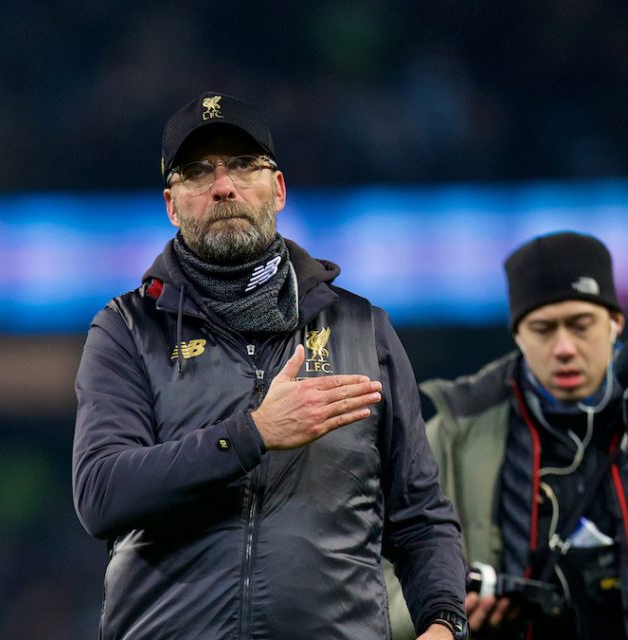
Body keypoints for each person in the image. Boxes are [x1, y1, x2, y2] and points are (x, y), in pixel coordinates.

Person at [72, 91, 468, 640]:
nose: (223, 185)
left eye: (242, 164)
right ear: (171, 203)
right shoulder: (128, 329)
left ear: (277, 189)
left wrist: (445, 622)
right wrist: (252, 433)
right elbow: (100, 494)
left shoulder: (361, 328)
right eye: (196, 172)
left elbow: (421, 519)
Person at [387, 231, 628, 639]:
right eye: (542, 329)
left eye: (581, 325)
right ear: (517, 334)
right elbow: (385, 571)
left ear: (616, 324)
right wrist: (444, 610)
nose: (563, 348)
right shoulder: (453, 436)